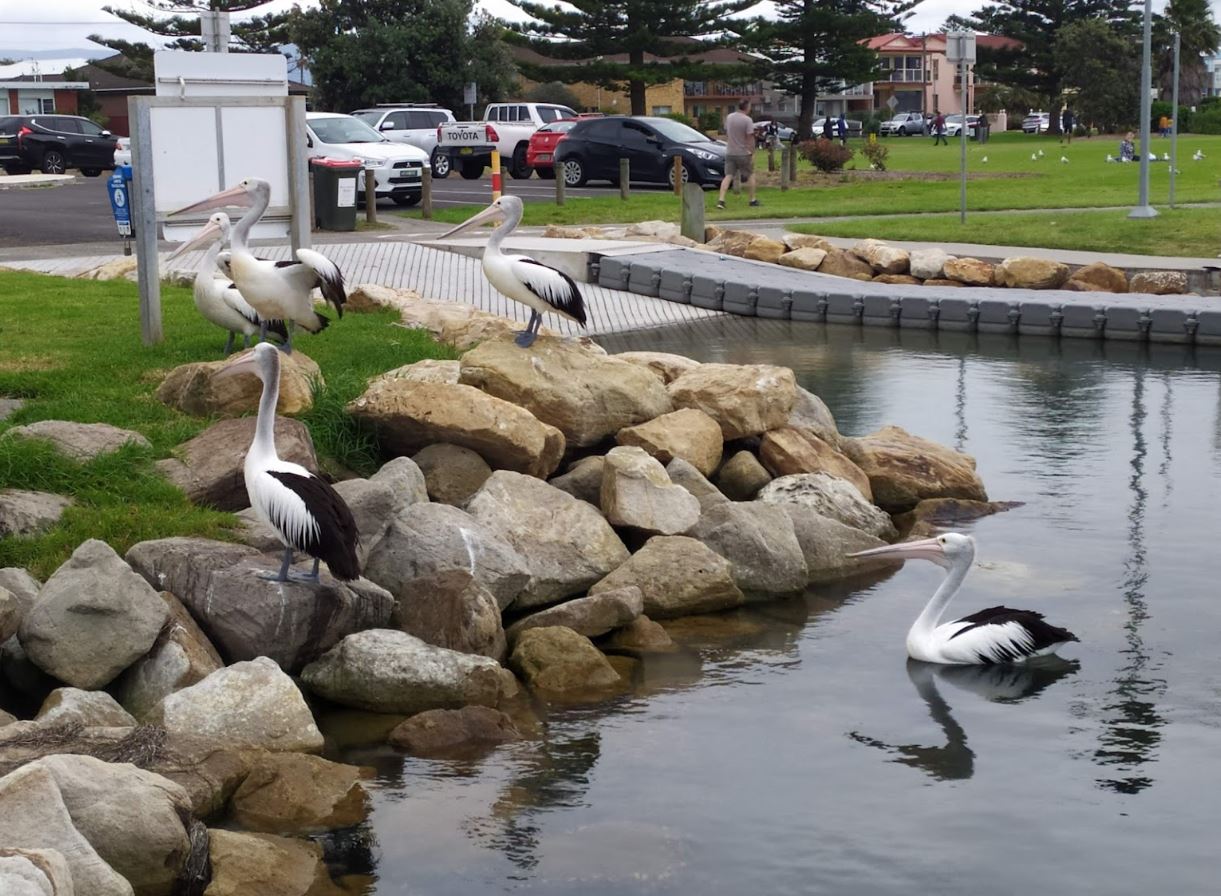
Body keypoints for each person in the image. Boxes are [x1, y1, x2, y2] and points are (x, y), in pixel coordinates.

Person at [717, 99, 758, 210]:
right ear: (747, 107)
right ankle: (752, 200)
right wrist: (752, 152)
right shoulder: (747, 120)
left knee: (728, 176)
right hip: (743, 153)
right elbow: (750, 138)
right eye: (750, 106)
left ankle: (721, 200)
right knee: (750, 175)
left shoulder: (729, 117)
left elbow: (727, 133)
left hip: (730, 151)